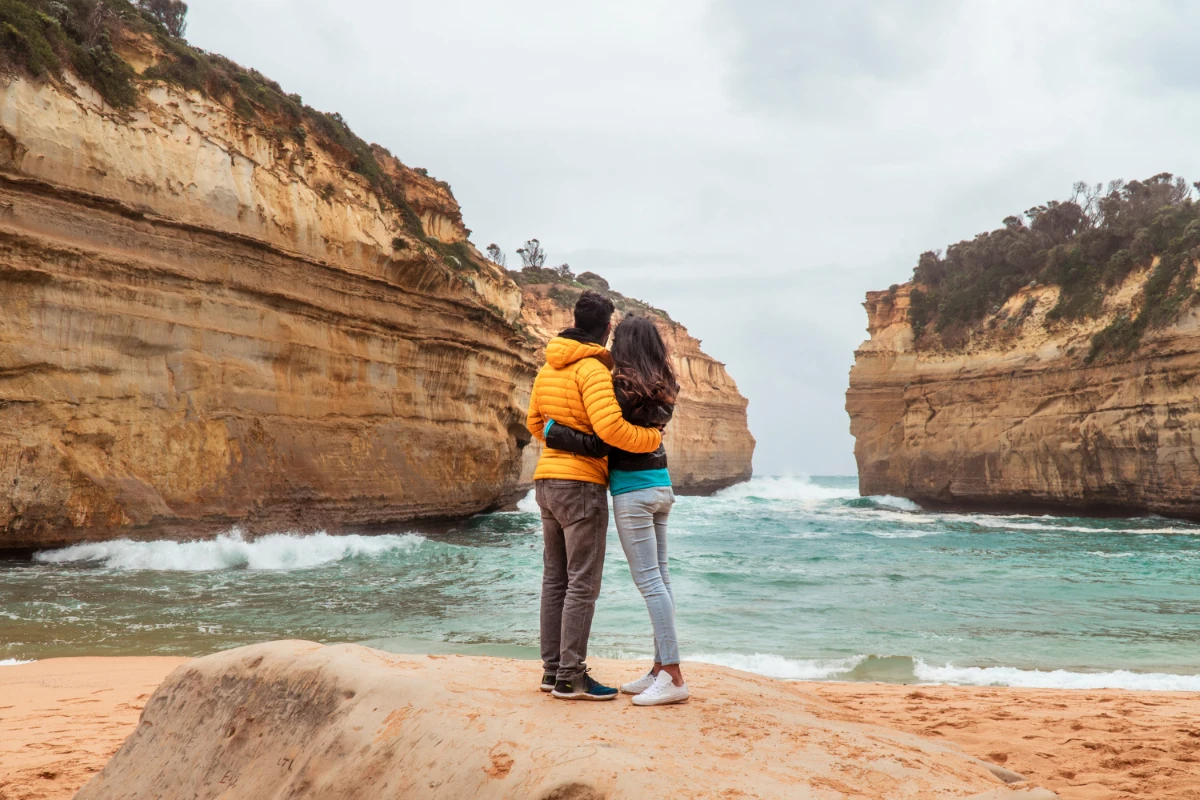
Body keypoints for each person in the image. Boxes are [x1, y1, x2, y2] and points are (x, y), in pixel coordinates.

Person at [543, 314, 688, 706]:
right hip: (661, 487)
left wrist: (552, 431)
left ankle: (673, 675)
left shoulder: (621, 385)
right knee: (662, 579)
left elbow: (603, 432)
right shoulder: (665, 384)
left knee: (650, 582)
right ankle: (659, 668)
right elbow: (648, 433)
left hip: (632, 493)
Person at [525, 291, 664, 701]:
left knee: (555, 580)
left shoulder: (547, 367)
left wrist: (564, 438)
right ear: (606, 329)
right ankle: (572, 677)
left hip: (546, 481)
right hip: (581, 487)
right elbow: (611, 432)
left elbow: (535, 422)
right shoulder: (591, 369)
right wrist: (650, 437)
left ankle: (552, 672)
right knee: (582, 584)